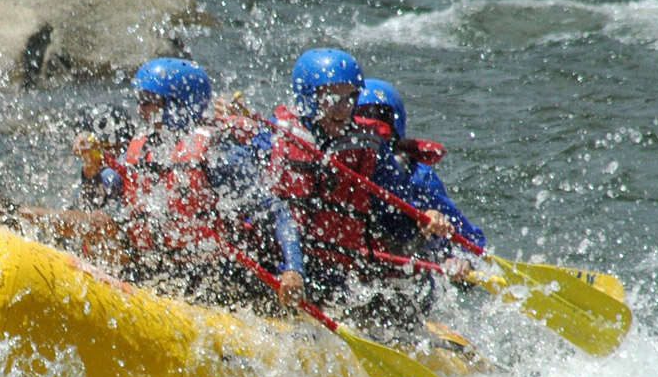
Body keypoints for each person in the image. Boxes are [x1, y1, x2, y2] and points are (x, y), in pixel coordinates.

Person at [72, 58, 303, 309]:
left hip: (212, 276)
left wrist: (293, 270)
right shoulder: (144, 145)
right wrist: (91, 166)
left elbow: (276, 212)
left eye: (149, 102)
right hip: (154, 264)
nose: (141, 110)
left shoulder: (219, 154)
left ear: (177, 106)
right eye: (141, 101)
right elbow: (102, 190)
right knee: (100, 225)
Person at [264, 48, 456, 338]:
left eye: (350, 98)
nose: (342, 109)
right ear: (307, 98)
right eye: (331, 99)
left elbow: (395, 217)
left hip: (340, 273)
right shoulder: (275, 138)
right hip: (283, 264)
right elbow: (279, 211)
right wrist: (292, 268)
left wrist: (424, 222)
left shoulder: (369, 148)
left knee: (395, 311)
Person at [355, 78, 487, 250]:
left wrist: (463, 261)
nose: (372, 135)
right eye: (364, 118)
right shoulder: (339, 163)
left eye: (381, 118)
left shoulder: (419, 176)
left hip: (405, 254)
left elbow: (471, 238)